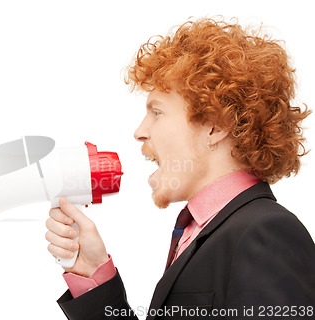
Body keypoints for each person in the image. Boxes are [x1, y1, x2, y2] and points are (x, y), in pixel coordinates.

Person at [45, 18, 315, 319]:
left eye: (157, 112)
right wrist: (94, 274)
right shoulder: (203, 231)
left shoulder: (265, 234)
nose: (139, 131)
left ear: (215, 126)